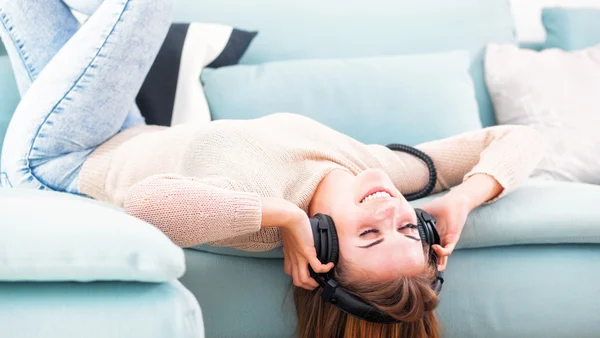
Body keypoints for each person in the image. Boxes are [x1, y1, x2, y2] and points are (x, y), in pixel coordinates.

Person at [0, 0, 544, 337]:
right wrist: (464, 197)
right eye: (409, 227)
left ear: (324, 246)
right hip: (121, 124)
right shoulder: (382, 172)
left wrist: (284, 217)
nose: (389, 210)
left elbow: (150, 206)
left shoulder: (260, 217)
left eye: (370, 236)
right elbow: (515, 138)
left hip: (62, 156)